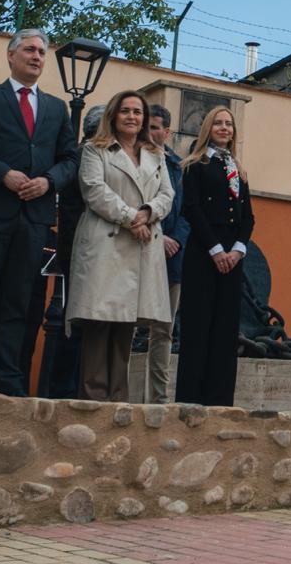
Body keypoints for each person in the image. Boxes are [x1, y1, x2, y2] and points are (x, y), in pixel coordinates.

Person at [0, 29, 78, 395]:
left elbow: (70, 160)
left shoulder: (56, 108)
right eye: (29, 50)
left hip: (33, 218)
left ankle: (7, 380)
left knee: (17, 301)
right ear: (11, 55)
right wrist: (3, 174)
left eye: (41, 51)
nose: (37, 56)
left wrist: (48, 182)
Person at [66, 91, 173, 402]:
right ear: (113, 115)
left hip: (141, 246)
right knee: (100, 322)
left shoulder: (155, 155)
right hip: (107, 243)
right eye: (125, 111)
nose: (131, 117)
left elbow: (167, 194)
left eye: (137, 112)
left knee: (126, 323)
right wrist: (131, 218)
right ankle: (93, 399)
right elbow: (94, 190)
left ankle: (117, 400)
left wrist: (147, 213)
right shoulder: (95, 149)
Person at [176, 105, 254, 406]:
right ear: (208, 128)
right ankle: (190, 399)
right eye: (219, 123)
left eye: (229, 124)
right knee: (198, 326)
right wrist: (216, 250)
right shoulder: (195, 165)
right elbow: (192, 209)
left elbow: (248, 217)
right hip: (204, 252)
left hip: (233, 257)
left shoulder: (238, 169)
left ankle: (220, 400)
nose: (224, 128)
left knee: (226, 328)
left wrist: (238, 250)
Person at [143, 104, 187, 402]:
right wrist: (159, 238)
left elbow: (187, 212)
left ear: (167, 132)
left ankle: (157, 399)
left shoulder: (179, 167)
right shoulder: (133, 159)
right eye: (147, 127)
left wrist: (176, 241)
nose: (150, 132)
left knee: (163, 330)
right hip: (140, 249)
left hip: (172, 260)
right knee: (124, 326)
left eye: (156, 127)